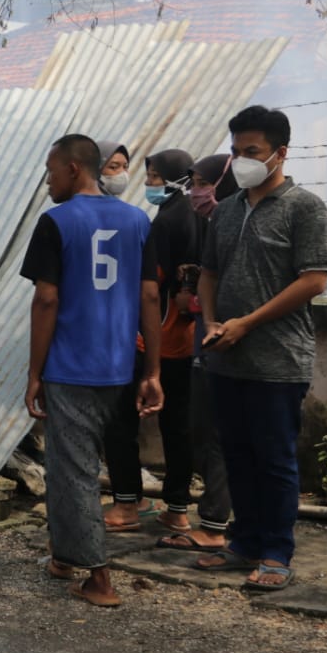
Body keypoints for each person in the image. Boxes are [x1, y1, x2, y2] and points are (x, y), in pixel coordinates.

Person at [20, 133, 163, 608]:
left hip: (71, 364)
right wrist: (152, 370)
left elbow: (46, 299)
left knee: (76, 470)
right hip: (119, 364)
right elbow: (149, 297)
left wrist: (34, 372)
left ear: (74, 170)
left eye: (51, 171)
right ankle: (64, 556)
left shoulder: (56, 222)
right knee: (64, 467)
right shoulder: (138, 220)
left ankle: (99, 577)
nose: (48, 180)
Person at [195, 105, 327, 590]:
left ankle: (276, 551)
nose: (241, 160)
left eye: (251, 152)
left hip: (278, 361)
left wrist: (246, 324)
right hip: (226, 357)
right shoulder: (227, 211)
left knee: (274, 459)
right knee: (237, 453)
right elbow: (209, 272)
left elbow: (314, 280)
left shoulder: (305, 208)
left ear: (279, 154)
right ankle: (244, 541)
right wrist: (212, 322)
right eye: (236, 152)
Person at [102, 149, 198, 533]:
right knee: (178, 425)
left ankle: (127, 503)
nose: (149, 184)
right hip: (186, 337)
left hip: (153, 338)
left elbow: (151, 286)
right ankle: (177, 508)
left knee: (121, 419)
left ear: (175, 179)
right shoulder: (199, 215)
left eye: (155, 177)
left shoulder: (163, 223)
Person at [156, 154, 238, 552]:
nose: (196, 192)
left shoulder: (231, 225)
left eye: (203, 183)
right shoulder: (213, 222)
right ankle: (216, 521)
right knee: (203, 433)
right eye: (193, 184)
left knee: (213, 436)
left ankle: (215, 526)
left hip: (223, 345)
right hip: (202, 343)